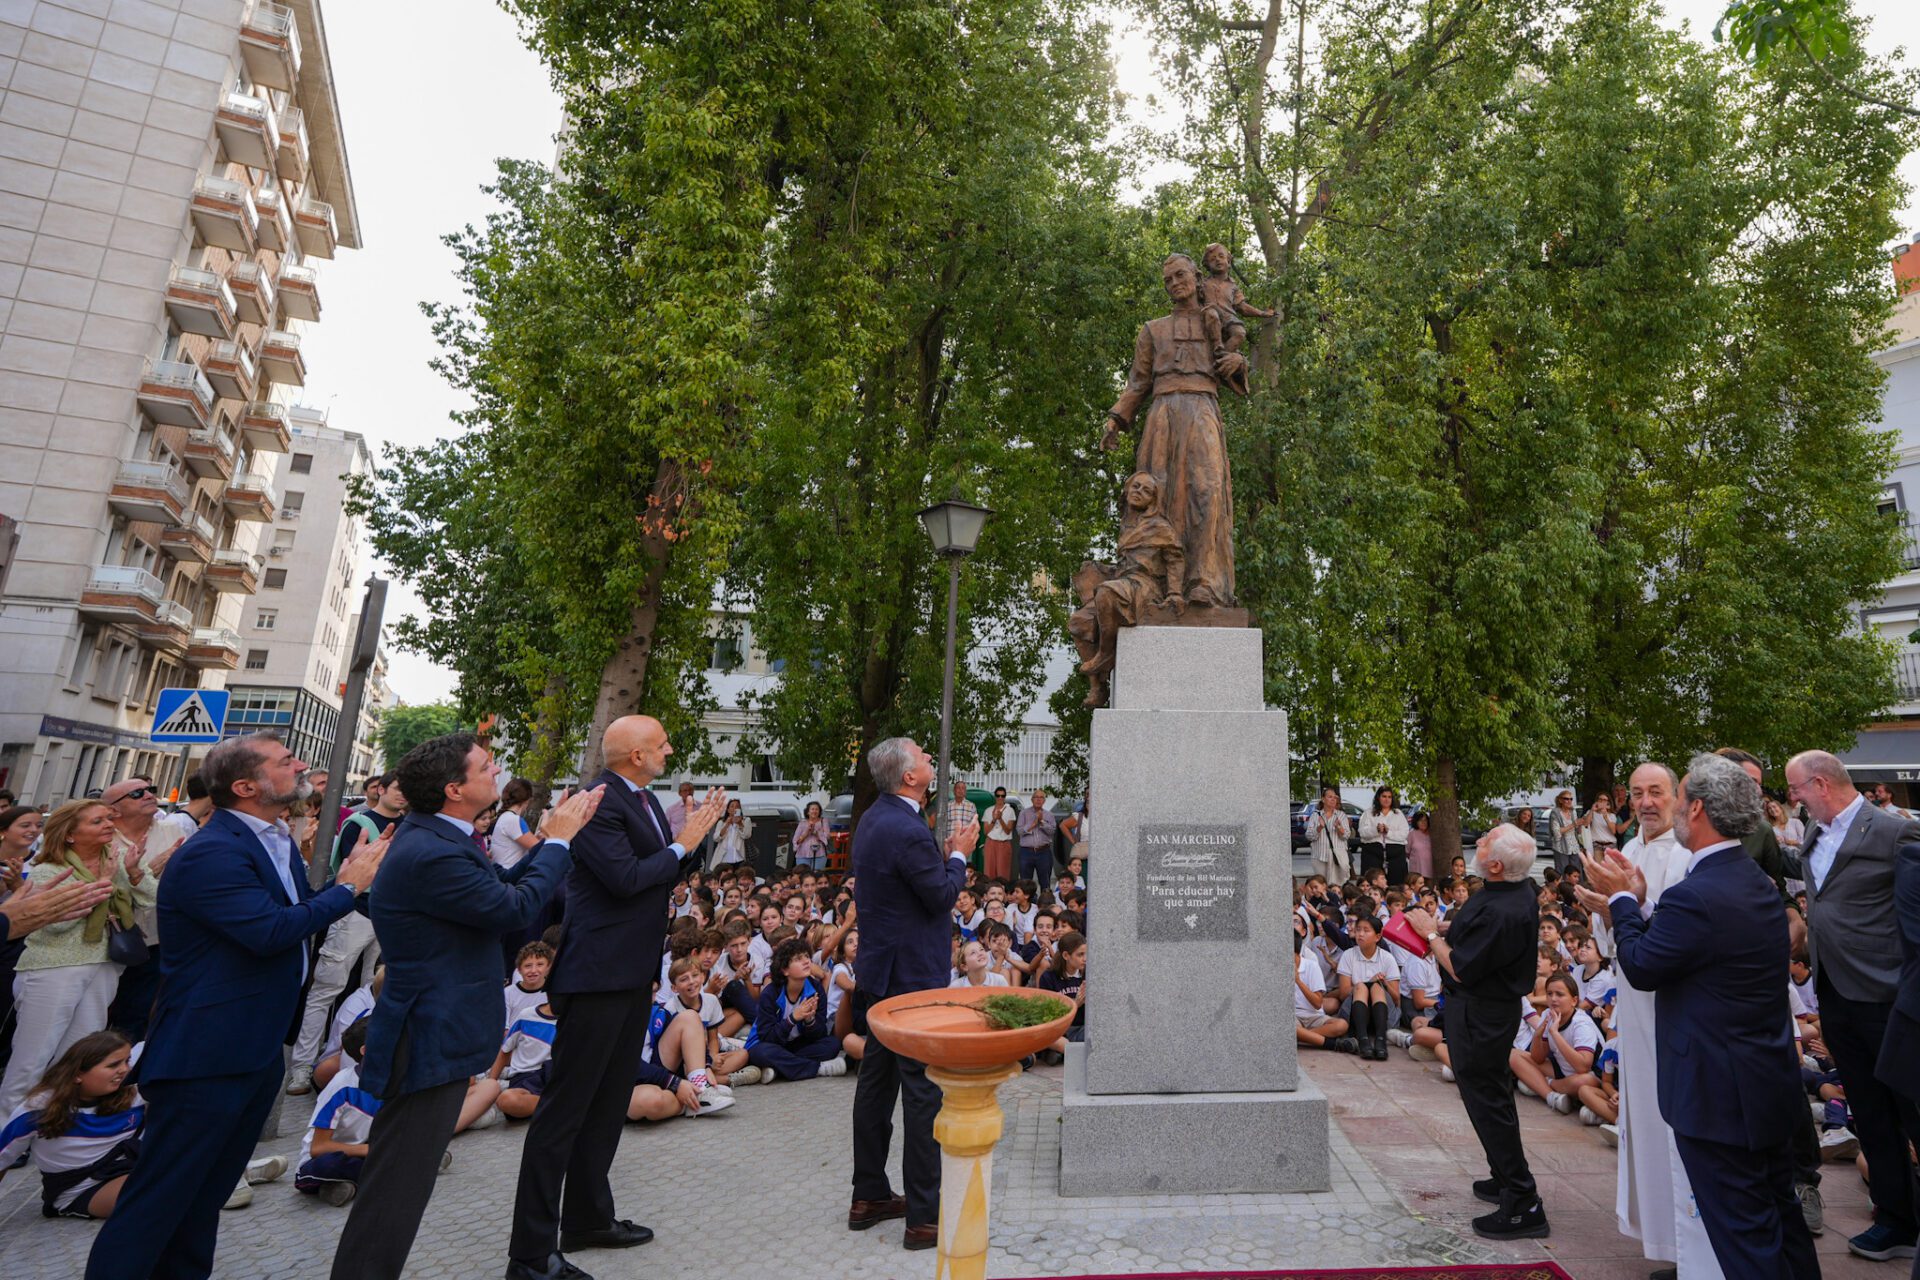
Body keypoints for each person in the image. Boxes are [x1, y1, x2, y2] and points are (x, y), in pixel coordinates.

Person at [84, 733, 390, 1280]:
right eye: (284, 761)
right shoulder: (212, 851)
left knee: (205, 1199)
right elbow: (270, 931)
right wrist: (345, 889)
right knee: (157, 1202)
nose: (300, 764)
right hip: (206, 1055)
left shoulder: (271, 836)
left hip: (253, 1048)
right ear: (247, 786)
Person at [327, 734, 596, 1280]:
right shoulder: (430, 849)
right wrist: (560, 844)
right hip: (428, 1034)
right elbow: (514, 906)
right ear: (454, 789)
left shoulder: (441, 838)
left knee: (402, 1181)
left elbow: (502, 885)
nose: (495, 768)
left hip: (438, 1030)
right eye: (484, 765)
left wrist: (548, 841)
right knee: (397, 1186)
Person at [1583, 753, 1818, 1280]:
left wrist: (1621, 901)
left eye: (1679, 798)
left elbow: (1643, 966)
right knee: (1783, 1221)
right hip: (1764, 1082)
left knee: (1745, 1236)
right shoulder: (1752, 880)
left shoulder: (1698, 892)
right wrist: (1641, 905)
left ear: (1697, 811)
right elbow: (1691, 951)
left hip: (1718, 1095)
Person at [507, 716, 726, 1280]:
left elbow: (670, 868)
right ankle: (530, 1254)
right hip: (596, 975)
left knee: (606, 1106)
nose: (669, 749)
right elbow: (627, 878)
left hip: (631, 973)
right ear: (633, 754)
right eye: (660, 743)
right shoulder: (598, 800)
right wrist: (685, 841)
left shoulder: (646, 799)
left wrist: (695, 841)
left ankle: (586, 1217)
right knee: (565, 1114)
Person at [1782, 748, 1920, 1263]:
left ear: (1820, 784)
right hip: (1835, 993)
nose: (1791, 796)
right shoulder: (1814, 832)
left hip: (1887, 995)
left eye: (1796, 787)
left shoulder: (1891, 830)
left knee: (1910, 1106)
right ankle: (1896, 1220)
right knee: (1871, 1112)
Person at [849, 737, 977, 1251]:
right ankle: (924, 1218)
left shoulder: (878, 817)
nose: (931, 760)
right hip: (911, 982)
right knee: (922, 1093)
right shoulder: (905, 828)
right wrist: (959, 858)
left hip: (881, 975)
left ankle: (870, 1195)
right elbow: (940, 896)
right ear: (908, 777)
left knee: (876, 1088)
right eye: (924, 757)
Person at [1401, 824, 1546, 1240]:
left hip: (1482, 1013)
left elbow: (1461, 966)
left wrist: (1430, 932)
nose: (1477, 843)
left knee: (1488, 1101)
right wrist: (1448, 931)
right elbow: (1478, 940)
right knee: (1490, 1094)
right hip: (1482, 1010)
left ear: (1496, 864)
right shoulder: (1505, 891)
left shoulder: (1507, 908)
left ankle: (1523, 1200)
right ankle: (1504, 1176)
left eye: (1484, 843)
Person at [0, 800, 154, 1120]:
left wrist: (137, 872)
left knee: (79, 1059)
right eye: (97, 822)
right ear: (71, 834)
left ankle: (54, 1123)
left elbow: (153, 900)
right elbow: (56, 923)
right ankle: (6, 1132)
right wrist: (104, 884)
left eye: (108, 819)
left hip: (104, 967)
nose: (109, 825)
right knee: (32, 1059)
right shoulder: (48, 870)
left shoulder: (116, 860)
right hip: (52, 968)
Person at [289, 778, 408, 1094]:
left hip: (389, 914)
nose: (403, 794)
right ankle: (302, 1068)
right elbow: (354, 871)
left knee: (373, 989)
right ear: (381, 789)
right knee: (327, 987)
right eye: (397, 787)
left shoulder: (409, 826)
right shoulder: (360, 822)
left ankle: (352, 1061)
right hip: (355, 911)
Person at [0, 1030, 145, 1219]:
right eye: (113, 1065)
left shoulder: (133, 1093)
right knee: (156, 1193)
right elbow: (3, 1157)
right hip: (83, 1187)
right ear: (78, 1074)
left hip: (131, 1167)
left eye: (127, 1061)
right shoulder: (38, 1108)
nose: (124, 1069)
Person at [101, 777, 182, 1041]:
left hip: (156, 938)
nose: (148, 795)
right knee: (97, 1010)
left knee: (137, 1010)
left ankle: (122, 1070)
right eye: (137, 793)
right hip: (104, 940)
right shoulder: (100, 835)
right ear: (114, 809)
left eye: (150, 790)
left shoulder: (173, 830)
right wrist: (147, 872)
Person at [1357, 786, 1410, 885]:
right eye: (1384, 796)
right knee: (1373, 882)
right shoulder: (1368, 813)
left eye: (1389, 797)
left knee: (1396, 884)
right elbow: (1362, 833)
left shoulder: (1398, 814)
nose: (1387, 799)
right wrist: (1376, 830)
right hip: (1372, 852)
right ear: (1378, 797)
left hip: (1395, 854)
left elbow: (1404, 834)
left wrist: (1388, 832)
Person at [490, 778, 544, 872]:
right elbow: (538, 848)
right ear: (527, 800)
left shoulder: (505, 817)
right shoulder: (514, 820)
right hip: (509, 874)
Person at [1305, 787, 1351, 883]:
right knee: (1321, 885)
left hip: (1337, 857)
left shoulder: (1341, 815)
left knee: (1337, 886)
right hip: (1319, 856)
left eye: (1335, 797)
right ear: (1323, 799)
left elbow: (1346, 836)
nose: (1333, 799)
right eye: (1330, 797)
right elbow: (1309, 836)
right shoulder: (1315, 815)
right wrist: (1319, 827)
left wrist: (1339, 828)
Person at [1016, 789, 1055, 886]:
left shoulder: (1049, 815)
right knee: (1025, 883)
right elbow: (1019, 831)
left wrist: (1042, 821)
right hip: (1026, 852)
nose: (1038, 799)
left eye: (1041, 797)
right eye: (1036, 797)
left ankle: (1045, 900)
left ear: (1044, 801)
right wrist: (1032, 824)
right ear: (1031, 799)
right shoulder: (1024, 813)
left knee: (1045, 882)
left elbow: (1052, 831)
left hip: (1044, 852)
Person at [983, 788, 1018, 882]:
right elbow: (985, 831)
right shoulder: (988, 810)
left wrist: (1000, 819)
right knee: (989, 872)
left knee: (1003, 873)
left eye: (1002, 796)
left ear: (1005, 797)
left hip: (1004, 843)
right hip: (990, 842)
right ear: (995, 797)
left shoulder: (1010, 810)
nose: (1000, 798)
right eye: (998, 795)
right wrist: (994, 820)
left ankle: (1003, 893)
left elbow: (1008, 830)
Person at [711, 797, 751, 870]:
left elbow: (746, 835)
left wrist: (739, 823)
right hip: (724, 858)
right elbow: (716, 838)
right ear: (728, 810)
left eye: (737, 806)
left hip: (739, 858)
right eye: (732, 806)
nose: (734, 808)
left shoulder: (746, 821)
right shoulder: (721, 822)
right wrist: (727, 824)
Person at [794, 800, 832, 872]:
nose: (814, 811)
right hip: (802, 854)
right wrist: (806, 833)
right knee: (803, 876)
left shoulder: (823, 821)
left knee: (817, 876)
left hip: (819, 854)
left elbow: (827, 837)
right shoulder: (802, 823)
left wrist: (816, 833)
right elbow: (796, 841)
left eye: (817, 809)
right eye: (812, 809)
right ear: (808, 812)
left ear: (819, 811)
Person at [1407, 810, 1434, 881]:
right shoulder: (1412, 834)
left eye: (1425, 820)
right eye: (1420, 821)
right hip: (1416, 870)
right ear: (1416, 822)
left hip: (1430, 870)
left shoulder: (1432, 834)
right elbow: (1407, 852)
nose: (1423, 823)